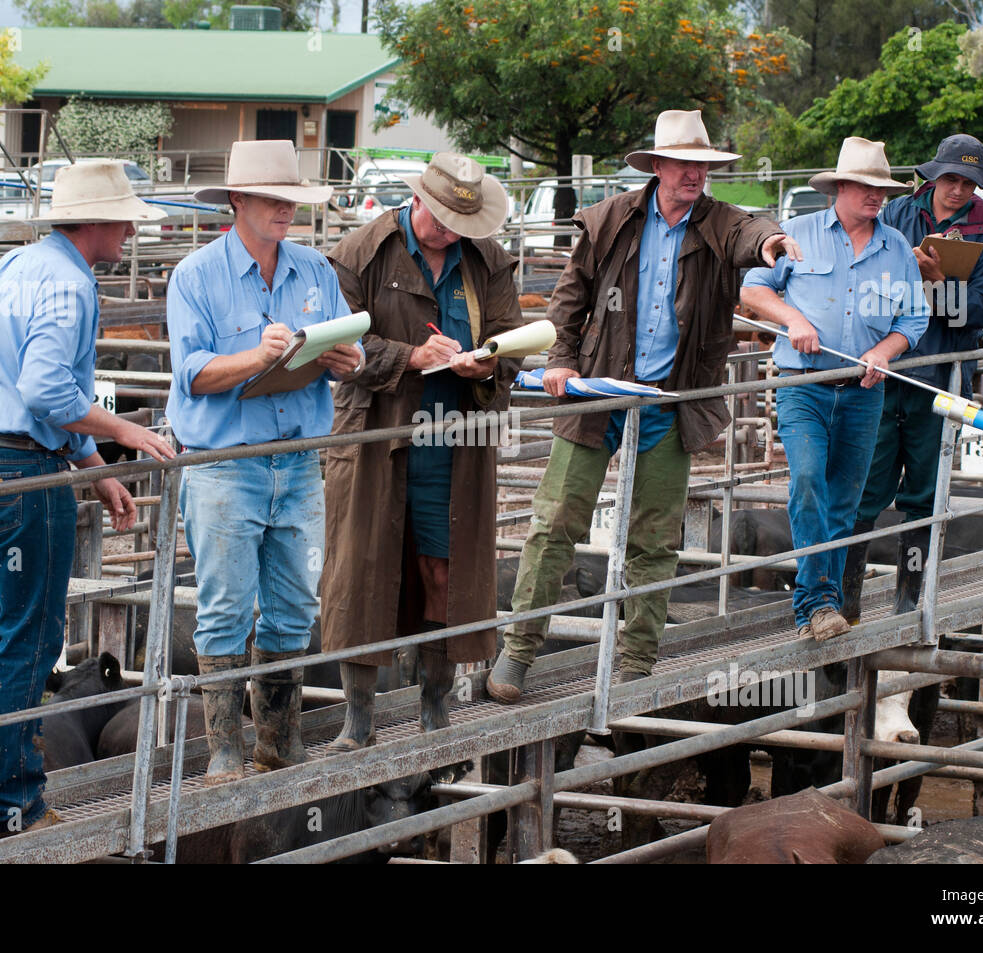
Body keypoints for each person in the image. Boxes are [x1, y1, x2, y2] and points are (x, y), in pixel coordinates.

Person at [0, 161, 175, 845]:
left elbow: (24, 385)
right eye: (125, 218)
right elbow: (47, 390)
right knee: (34, 633)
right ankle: (15, 800)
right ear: (98, 221)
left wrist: (93, 466)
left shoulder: (19, 266)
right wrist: (125, 431)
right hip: (21, 471)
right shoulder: (73, 285)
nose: (133, 230)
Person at [487, 110, 801, 703]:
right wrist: (560, 359)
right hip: (598, 397)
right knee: (554, 524)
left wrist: (772, 243)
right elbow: (570, 298)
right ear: (656, 167)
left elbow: (750, 231)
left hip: (667, 402)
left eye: (701, 167)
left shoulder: (718, 225)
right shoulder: (610, 221)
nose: (693, 176)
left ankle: (636, 659)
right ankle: (519, 650)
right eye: (683, 164)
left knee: (655, 539)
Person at [166, 140, 362, 782]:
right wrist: (259, 355)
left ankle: (278, 742)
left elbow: (344, 344)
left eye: (292, 201)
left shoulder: (316, 272)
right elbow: (192, 373)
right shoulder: (195, 276)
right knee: (226, 604)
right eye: (275, 201)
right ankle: (225, 750)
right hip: (226, 463)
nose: (287, 212)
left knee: (295, 601)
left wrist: (345, 358)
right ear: (238, 202)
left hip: (300, 461)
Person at [321, 153, 523, 750]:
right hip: (375, 434)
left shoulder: (488, 260)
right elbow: (337, 345)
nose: (448, 230)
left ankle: (435, 710)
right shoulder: (361, 251)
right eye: (439, 218)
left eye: (460, 222)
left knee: (446, 568)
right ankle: (357, 724)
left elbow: (512, 337)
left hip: (457, 440)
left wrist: (489, 359)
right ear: (417, 202)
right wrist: (409, 357)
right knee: (362, 570)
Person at [741, 137, 929, 640]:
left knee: (845, 499)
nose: (876, 197)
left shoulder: (896, 250)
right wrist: (792, 317)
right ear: (840, 187)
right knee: (806, 481)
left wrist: (884, 352)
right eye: (867, 188)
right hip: (806, 384)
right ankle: (818, 603)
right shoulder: (795, 234)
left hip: (864, 389)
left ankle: (819, 606)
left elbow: (913, 318)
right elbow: (753, 287)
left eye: (882, 190)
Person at [841, 134, 983, 621]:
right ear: (933, 177)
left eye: (968, 183)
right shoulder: (895, 216)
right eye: (951, 179)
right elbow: (867, 282)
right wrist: (908, 280)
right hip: (887, 368)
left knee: (924, 489)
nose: (957, 191)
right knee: (867, 482)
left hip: (941, 376)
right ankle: (849, 599)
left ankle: (908, 599)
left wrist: (937, 285)